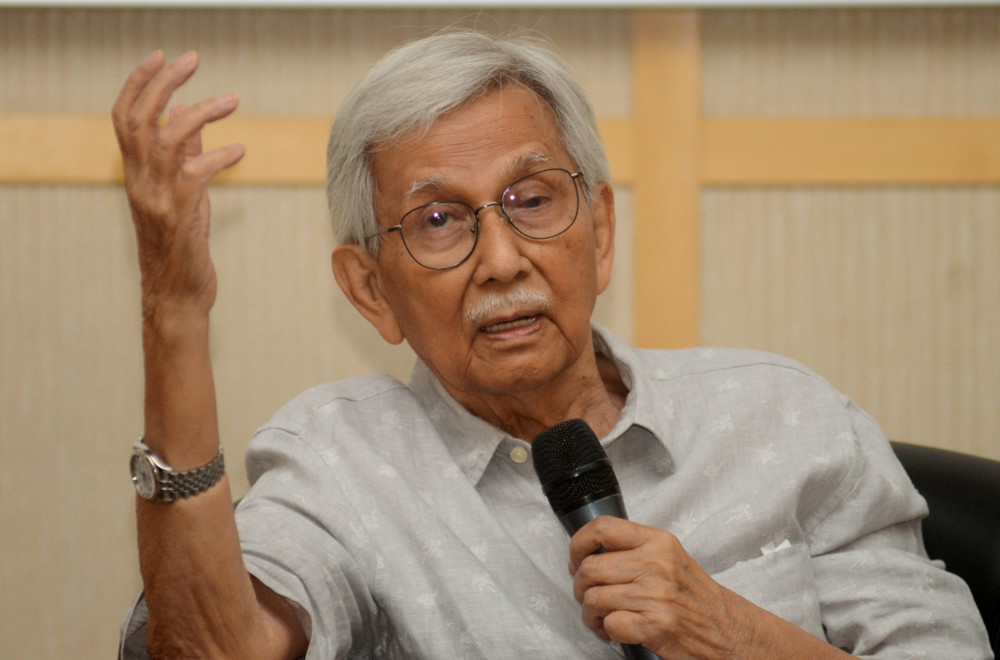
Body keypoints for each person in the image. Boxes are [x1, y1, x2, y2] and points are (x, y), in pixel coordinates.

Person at [115, 31, 992, 659]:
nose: (502, 261)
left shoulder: (782, 416)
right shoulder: (340, 462)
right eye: (437, 220)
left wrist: (733, 636)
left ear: (600, 231)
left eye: (533, 200)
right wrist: (175, 317)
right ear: (370, 290)